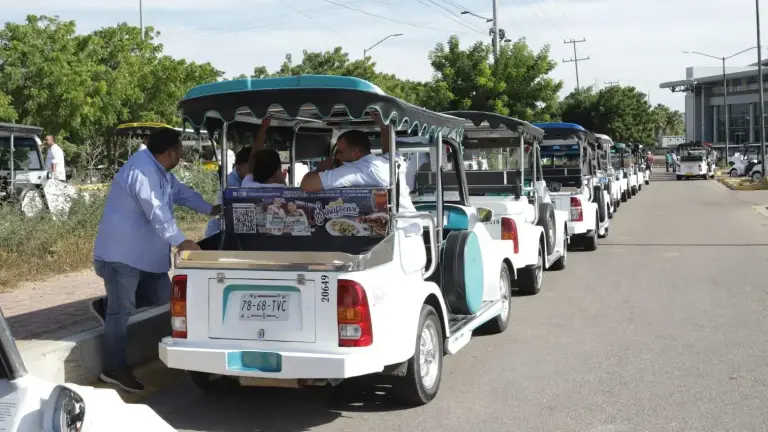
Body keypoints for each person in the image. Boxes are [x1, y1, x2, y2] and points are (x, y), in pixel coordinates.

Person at [89, 127, 219, 393]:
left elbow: (181, 193)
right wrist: (181, 241)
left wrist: (210, 209)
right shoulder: (142, 172)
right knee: (121, 311)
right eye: (180, 151)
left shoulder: (160, 172)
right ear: (171, 152)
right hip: (121, 256)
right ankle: (114, 369)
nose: (182, 155)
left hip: (146, 257)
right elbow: (157, 212)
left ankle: (108, 304)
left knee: (162, 299)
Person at [299, 112, 416, 215]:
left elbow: (307, 185)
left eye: (340, 152)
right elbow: (388, 148)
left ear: (356, 152)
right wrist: (384, 126)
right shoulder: (386, 161)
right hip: (412, 226)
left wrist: (320, 168)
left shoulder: (359, 169)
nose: (337, 156)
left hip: (397, 232)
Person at [204, 146, 253, 237]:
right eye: (251, 169)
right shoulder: (231, 183)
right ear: (239, 168)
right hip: (219, 232)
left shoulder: (241, 179)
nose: (254, 173)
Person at [241, 116, 287, 188]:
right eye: (280, 169)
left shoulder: (247, 185)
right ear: (275, 175)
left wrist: (263, 129)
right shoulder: (283, 190)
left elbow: (253, 162)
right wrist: (263, 128)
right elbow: (253, 163)